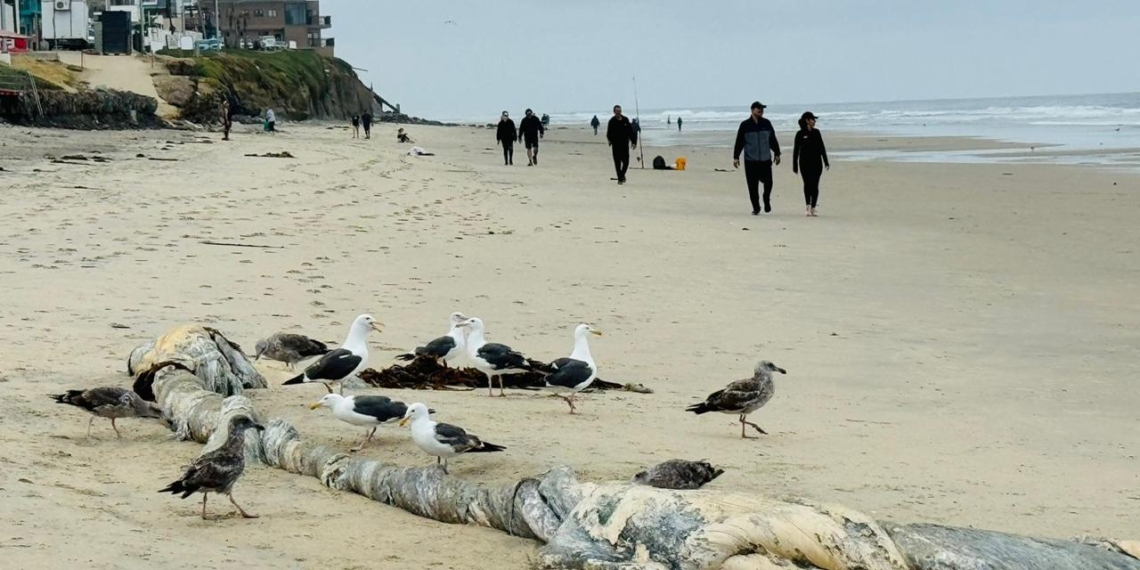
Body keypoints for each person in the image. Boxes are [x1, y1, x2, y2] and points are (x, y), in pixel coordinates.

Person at [733, 101, 781, 215]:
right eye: (758, 109)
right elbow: (739, 141)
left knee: (768, 183)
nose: (761, 111)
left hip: (765, 159)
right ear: (752, 110)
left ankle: (766, 199)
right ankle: (756, 207)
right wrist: (736, 157)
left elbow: (772, 139)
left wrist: (777, 153)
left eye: (762, 109)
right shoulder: (745, 125)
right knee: (752, 186)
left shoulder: (767, 123)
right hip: (751, 161)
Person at [793, 112, 830, 217]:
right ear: (807, 120)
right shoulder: (800, 134)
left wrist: (826, 161)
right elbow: (796, 150)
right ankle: (808, 206)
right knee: (807, 184)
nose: (815, 121)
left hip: (817, 163)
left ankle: (813, 207)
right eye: (813, 119)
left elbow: (822, 148)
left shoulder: (817, 132)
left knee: (815, 185)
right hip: (804, 163)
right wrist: (795, 165)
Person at [606, 104, 637, 185]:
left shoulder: (625, 120)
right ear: (614, 112)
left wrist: (634, 142)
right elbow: (609, 133)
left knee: (626, 162)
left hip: (624, 145)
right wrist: (610, 140)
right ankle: (620, 179)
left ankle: (622, 175)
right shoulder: (612, 121)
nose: (618, 113)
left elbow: (631, 131)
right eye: (617, 111)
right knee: (617, 163)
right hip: (616, 145)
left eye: (620, 111)